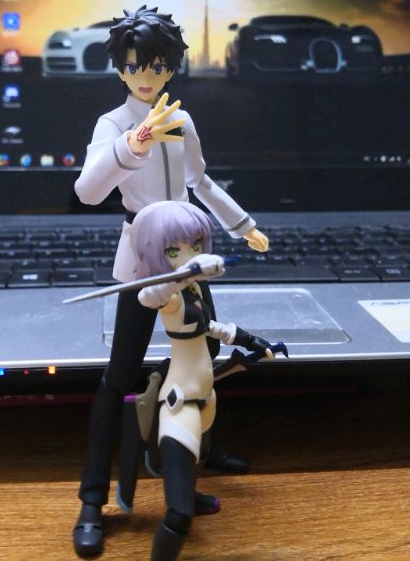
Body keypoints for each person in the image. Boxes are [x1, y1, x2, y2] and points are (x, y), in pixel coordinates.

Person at [72, 6, 269, 557]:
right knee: (120, 376)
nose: (146, 75)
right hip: (142, 256)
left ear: (171, 68)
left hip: (188, 253)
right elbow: (87, 191)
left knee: (203, 353)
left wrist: (243, 226)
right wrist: (132, 145)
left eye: (158, 66)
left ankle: (197, 452)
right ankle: (92, 501)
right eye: (136, 65)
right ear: (120, 68)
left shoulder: (182, 120)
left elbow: (199, 181)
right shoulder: (113, 125)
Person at [130, 201, 272, 560]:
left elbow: (209, 327)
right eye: (174, 250)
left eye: (195, 245)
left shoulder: (192, 291)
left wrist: (249, 340)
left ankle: (191, 496)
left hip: (206, 397)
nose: (189, 254)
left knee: (200, 460)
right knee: (178, 516)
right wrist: (185, 272)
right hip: (181, 405)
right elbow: (148, 296)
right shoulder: (170, 295)